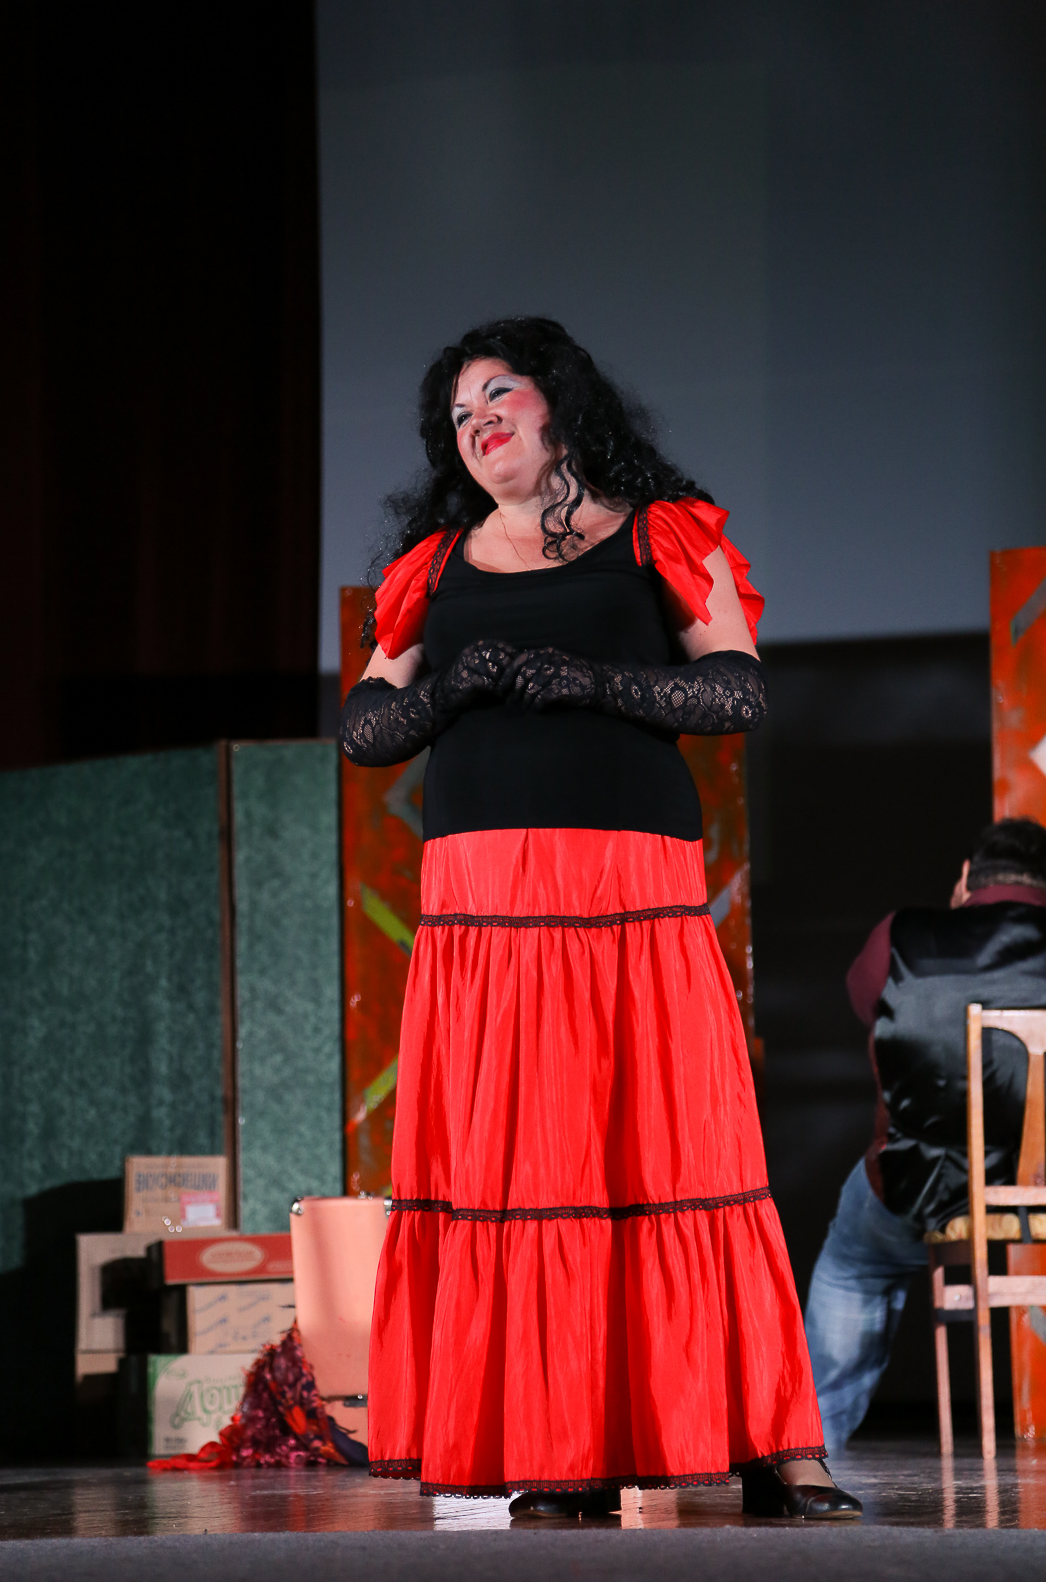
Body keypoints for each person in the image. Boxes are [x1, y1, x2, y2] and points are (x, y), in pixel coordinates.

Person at [341, 316, 860, 1520]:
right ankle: (562, 1447)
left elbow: (735, 687)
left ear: (560, 403)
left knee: (678, 1153)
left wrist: (595, 683)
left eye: (498, 395)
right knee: (528, 1169)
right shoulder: (433, 564)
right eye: (457, 413)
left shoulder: (660, 534)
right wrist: (449, 690)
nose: (476, 424)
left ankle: (777, 1450)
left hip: (628, 887)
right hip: (482, 903)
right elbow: (365, 729)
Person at [804, 816, 1046, 1453]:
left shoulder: (905, 934)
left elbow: (866, 1003)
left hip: (922, 1185)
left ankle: (813, 1449)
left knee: (853, 1267)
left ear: (967, 877)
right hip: (1044, 1194)